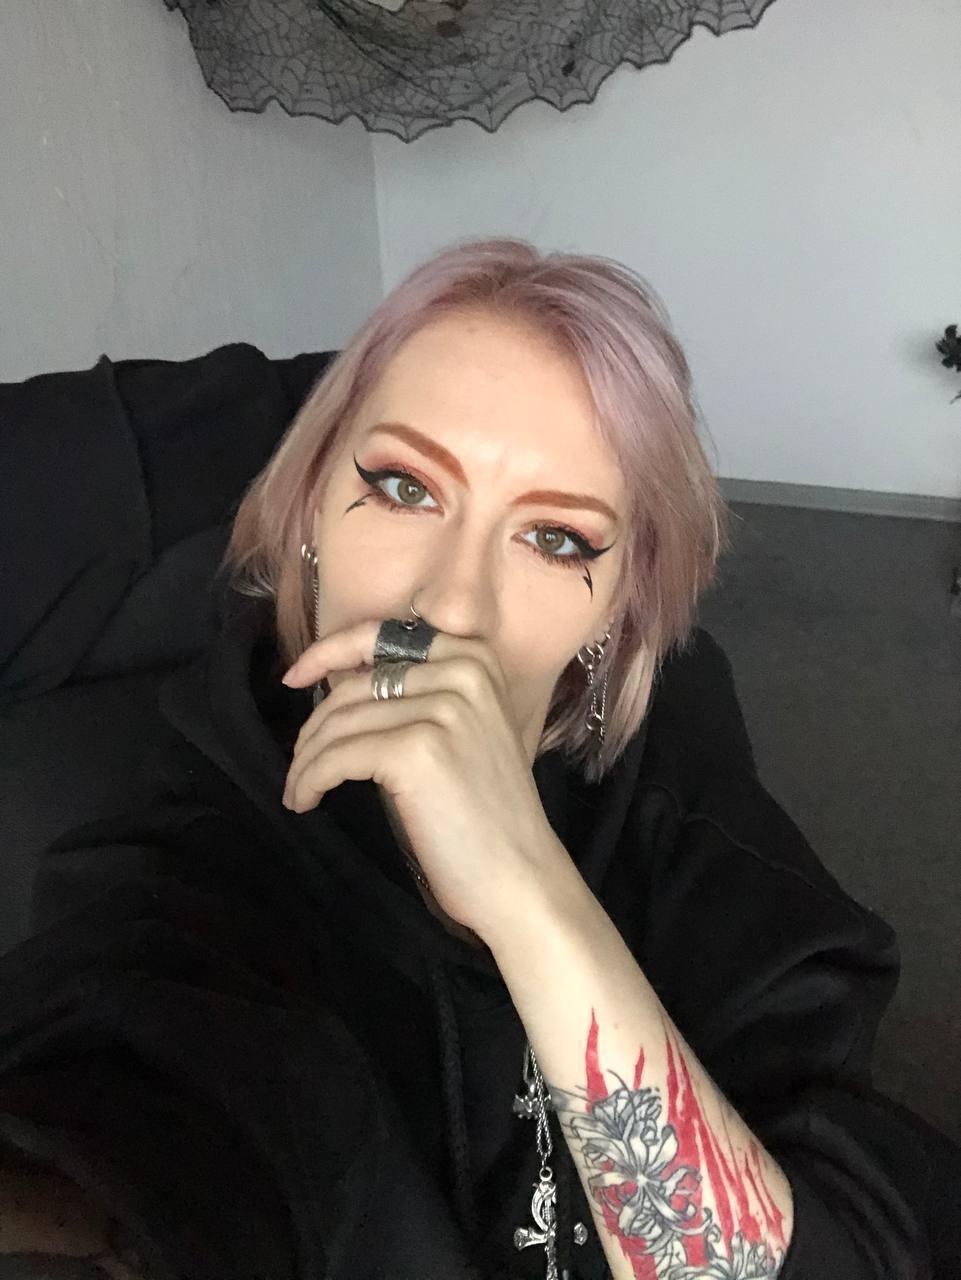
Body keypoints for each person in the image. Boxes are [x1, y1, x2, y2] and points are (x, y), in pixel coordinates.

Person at [0, 237, 945, 1280]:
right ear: (310, 509)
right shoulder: (186, 866)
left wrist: (530, 896)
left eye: (555, 538)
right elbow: (135, 1118)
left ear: (614, 610)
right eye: (403, 487)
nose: (449, 604)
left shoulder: (675, 760)